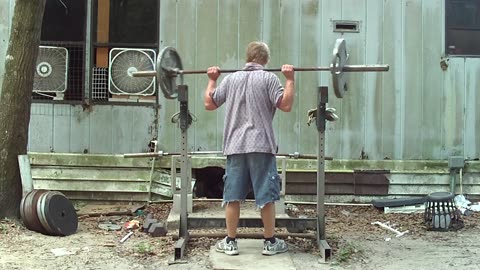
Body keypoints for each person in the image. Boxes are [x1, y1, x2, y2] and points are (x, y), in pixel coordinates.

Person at [204, 41, 295, 256]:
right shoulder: (269, 78)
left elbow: (209, 103)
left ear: (247, 57)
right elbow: (286, 105)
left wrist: (211, 80)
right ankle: (270, 242)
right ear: (265, 60)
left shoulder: (231, 78)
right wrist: (290, 80)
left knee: (232, 195)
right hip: (261, 145)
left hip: (235, 145)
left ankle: (230, 242)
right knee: (266, 195)